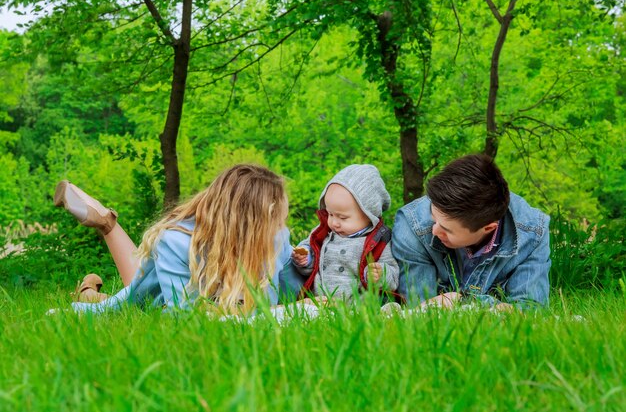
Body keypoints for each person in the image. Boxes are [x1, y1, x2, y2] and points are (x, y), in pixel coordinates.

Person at [53, 164, 292, 315]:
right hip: (155, 295)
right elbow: (185, 314)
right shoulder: (176, 241)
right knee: (112, 306)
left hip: (199, 282)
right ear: (252, 225)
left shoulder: (276, 237)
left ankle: (90, 285)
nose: (282, 228)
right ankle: (104, 226)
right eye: (277, 220)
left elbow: (264, 304)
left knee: (114, 294)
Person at [392, 154, 551, 311]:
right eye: (433, 218)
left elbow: (530, 309)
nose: (434, 230)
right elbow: (419, 308)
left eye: (446, 230)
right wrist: (498, 307)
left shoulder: (533, 233)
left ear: (488, 228)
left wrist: (463, 301)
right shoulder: (411, 226)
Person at [291, 164, 399, 302]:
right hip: (319, 302)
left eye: (342, 217)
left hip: (357, 306)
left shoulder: (379, 240)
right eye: (330, 214)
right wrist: (306, 258)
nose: (334, 222)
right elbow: (312, 254)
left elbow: (394, 277)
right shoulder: (324, 232)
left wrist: (381, 274)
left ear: (369, 215)